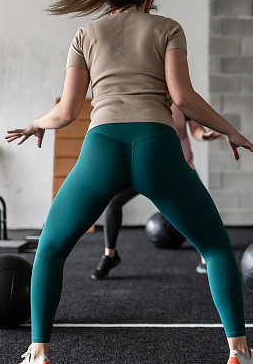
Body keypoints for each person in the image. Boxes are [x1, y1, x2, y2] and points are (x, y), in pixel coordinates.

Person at [5, 0, 253, 364]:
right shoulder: (167, 27)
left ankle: (38, 359)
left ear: (109, 1)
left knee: (51, 250)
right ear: (148, 1)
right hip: (156, 144)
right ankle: (239, 356)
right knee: (216, 247)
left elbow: (68, 111)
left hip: (101, 147)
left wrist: (37, 124)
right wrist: (231, 131)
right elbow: (182, 97)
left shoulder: (85, 35)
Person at [92, 105, 221, 280]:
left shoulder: (181, 101)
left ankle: (206, 257)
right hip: (146, 170)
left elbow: (196, 128)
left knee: (199, 209)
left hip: (180, 167)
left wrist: (204, 135)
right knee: (114, 202)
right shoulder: (146, 100)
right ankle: (110, 255)